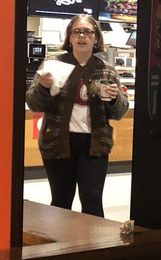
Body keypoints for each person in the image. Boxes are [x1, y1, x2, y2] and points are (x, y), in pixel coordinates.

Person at [27, 14, 128, 217]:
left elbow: (119, 112)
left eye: (88, 32)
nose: (82, 36)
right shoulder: (53, 65)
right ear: (70, 37)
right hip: (57, 143)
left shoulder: (106, 70)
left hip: (95, 144)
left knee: (92, 200)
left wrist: (116, 98)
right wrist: (43, 88)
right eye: (77, 32)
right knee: (61, 200)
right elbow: (33, 104)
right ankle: (59, 239)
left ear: (96, 38)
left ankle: (92, 238)